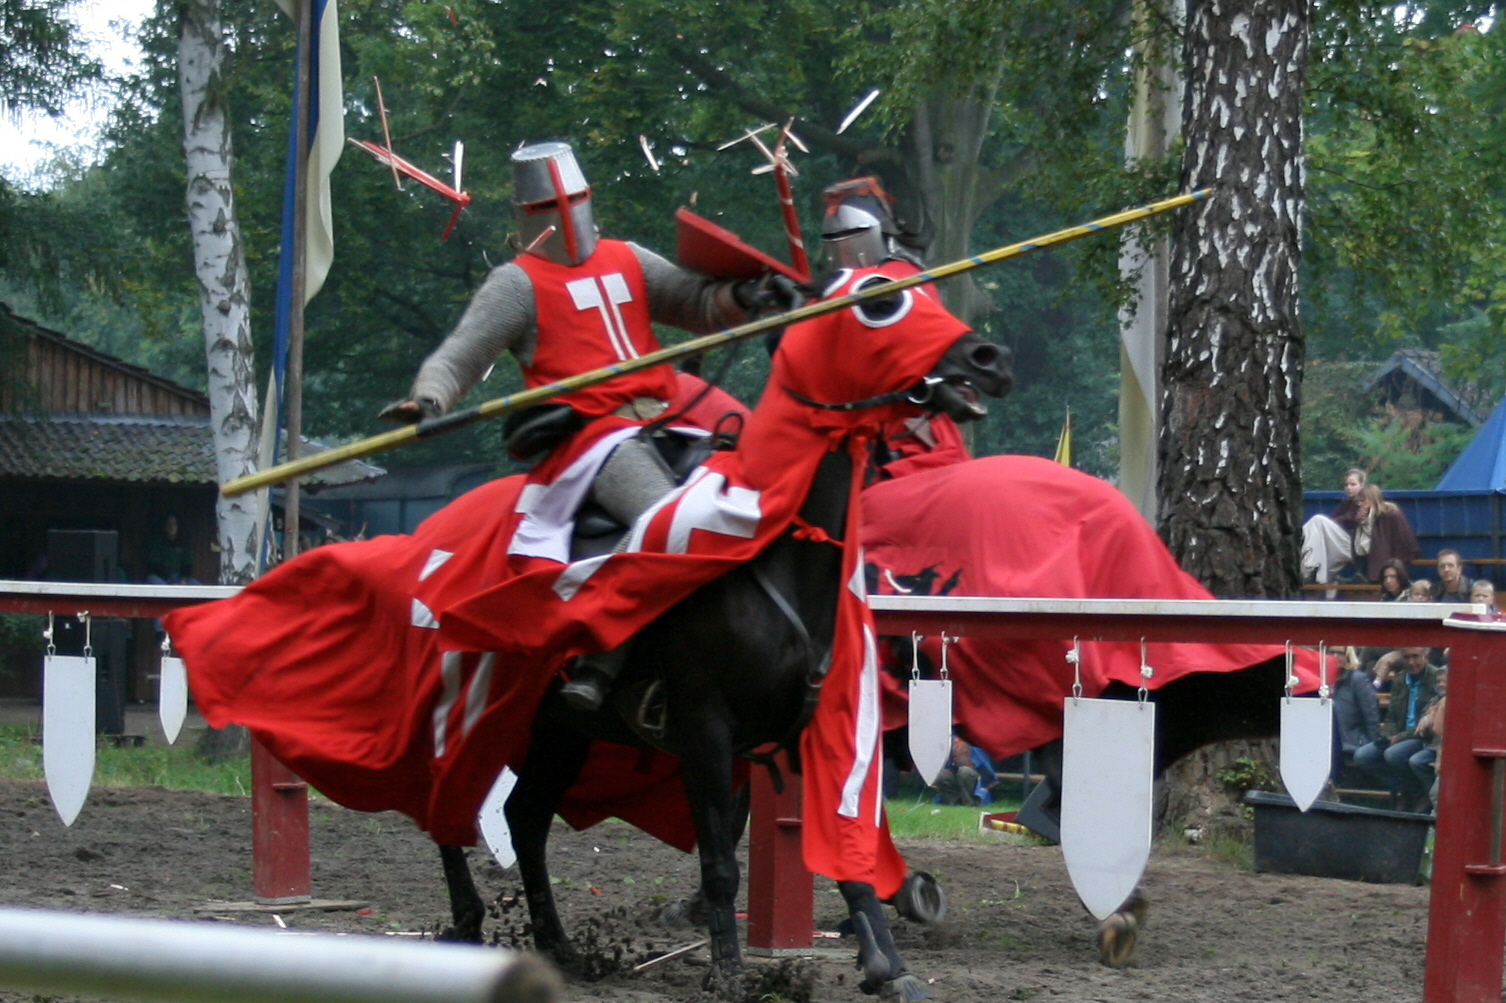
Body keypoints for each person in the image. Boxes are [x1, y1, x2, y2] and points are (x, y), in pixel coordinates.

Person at [379, 141, 790, 711]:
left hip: (669, 422)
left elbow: (698, 302)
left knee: (758, 497)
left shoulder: (628, 258)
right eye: (552, 203)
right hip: (592, 440)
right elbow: (459, 357)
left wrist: (747, 294)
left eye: (576, 197)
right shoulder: (515, 284)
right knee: (670, 518)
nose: (567, 212)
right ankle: (601, 660)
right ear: (528, 216)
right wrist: (427, 399)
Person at [1353, 646, 1444, 813]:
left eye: (1415, 656)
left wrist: (1399, 737)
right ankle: (1407, 789)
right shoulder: (1400, 679)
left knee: (1394, 754)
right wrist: (1387, 735)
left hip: (1422, 737)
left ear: (1425, 655)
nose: (1411, 662)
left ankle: (1410, 794)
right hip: (1400, 736)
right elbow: (1391, 717)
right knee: (1363, 756)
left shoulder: (1436, 678)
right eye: (1406, 657)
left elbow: (1429, 723)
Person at [1300, 468, 1367, 586]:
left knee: (1318, 520)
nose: (1349, 488)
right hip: (1338, 541)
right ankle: (1311, 571)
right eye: (1346, 485)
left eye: (1353, 484)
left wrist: (1338, 521)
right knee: (1318, 536)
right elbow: (1336, 521)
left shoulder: (1365, 502)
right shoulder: (1345, 503)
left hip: (1353, 545)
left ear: (1361, 485)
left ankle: (1307, 563)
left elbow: (1346, 521)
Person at [1350, 483, 1420, 583]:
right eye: (1358, 501)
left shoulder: (1390, 514)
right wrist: (1359, 522)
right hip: (1369, 560)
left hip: (1388, 559)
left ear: (1371, 499)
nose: (1359, 504)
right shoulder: (1363, 517)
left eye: (1362, 500)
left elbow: (1403, 538)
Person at [1331, 648, 1382, 783]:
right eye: (1331, 652)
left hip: (1352, 742)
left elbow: (1371, 716)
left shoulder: (1358, 679)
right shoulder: (1321, 680)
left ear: (1348, 655)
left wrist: (1372, 745)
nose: (1335, 656)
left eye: (1340, 653)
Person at [930, 735, 998, 807]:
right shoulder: (951, 737)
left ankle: (970, 803)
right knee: (942, 775)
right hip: (955, 771)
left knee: (964, 771)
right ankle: (954, 801)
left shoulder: (974, 740)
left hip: (973, 775)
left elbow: (983, 766)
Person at [144, 512, 195, 584]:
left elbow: (187, 564)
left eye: (174, 524)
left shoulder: (183, 544)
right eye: (169, 523)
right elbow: (154, 566)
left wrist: (184, 579)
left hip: (178, 577)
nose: (171, 526)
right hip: (160, 577)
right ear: (164, 526)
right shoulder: (156, 543)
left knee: (196, 584)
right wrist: (168, 580)